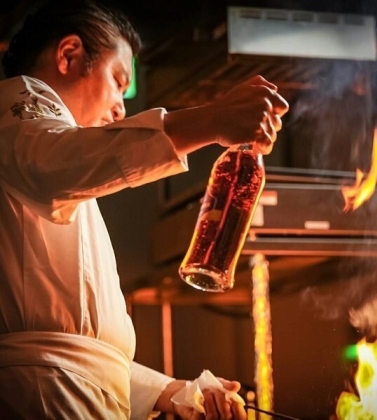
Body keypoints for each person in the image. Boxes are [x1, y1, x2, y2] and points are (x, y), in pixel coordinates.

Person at [0, 0, 289, 419]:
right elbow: (50, 360)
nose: (121, 107)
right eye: (118, 81)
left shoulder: (61, 178)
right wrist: (212, 120)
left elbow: (86, 357)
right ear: (69, 55)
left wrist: (175, 392)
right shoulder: (15, 111)